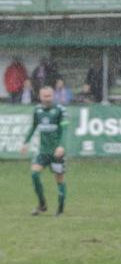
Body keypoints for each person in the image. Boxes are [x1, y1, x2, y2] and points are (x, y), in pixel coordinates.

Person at [21, 85, 69, 216]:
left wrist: (61, 146)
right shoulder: (37, 110)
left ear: (53, 96)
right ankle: (42, 204)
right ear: (40, 96)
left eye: (49, 96)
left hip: (57, 153)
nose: (47, 98)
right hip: (43, 152)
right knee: (34, 174)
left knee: (59, 179)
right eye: (44, 96)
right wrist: (26, 142)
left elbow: (64, 130)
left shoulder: (60, 110)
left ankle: (60, 209)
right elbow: (33, 127)